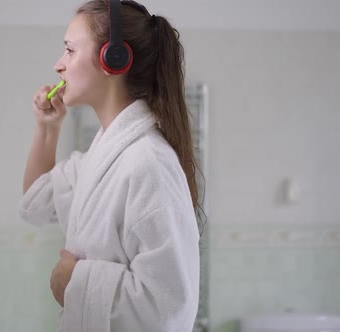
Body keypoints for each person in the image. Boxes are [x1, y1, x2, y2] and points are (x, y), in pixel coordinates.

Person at [19, 0, 202, 331]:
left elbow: (170, 306)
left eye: (70, 51)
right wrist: (48, 129)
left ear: (113, 59)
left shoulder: (148, 164)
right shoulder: (101, 158)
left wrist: (75, 280)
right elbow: (35, 202)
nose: (58, 65)